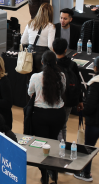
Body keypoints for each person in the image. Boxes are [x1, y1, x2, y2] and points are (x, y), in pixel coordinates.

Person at [27, 53, 69, 184]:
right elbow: (63, 91)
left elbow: (30, 92)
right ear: (55, 63)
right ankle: (54, 171)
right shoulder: (61, 76)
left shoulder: (36, 77)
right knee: (54, 142)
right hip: (58, 115)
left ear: (42, 62)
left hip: (41, 115)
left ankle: (44, 174)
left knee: (42, 145)